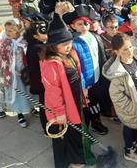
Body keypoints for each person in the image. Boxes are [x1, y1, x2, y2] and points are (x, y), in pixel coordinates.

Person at [40, 13, 96, 167]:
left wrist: (83, 91)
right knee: (68, 134)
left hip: (76, 99)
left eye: (69, 42)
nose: (68, 46)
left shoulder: (70, 53)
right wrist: (59, 112)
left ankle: (78, 157)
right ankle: (72, 161)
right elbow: (52, 90)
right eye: (63, 44)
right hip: (63, 106)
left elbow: (79, 75)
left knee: (77, 131)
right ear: (53, 45)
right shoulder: (50, 63)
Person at [102, 33, 137, 163]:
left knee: (135, 125)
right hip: (130, 105)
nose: (129, 51)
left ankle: (134, 144)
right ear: (117, 52)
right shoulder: (117, 72)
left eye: (130, 47)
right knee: (130, 126)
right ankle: (129, 150)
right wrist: (130, 107)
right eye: (125, 49)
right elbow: (116, 95)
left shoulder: (135, 56)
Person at [63, 4, 110, 126]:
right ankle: (93, 122)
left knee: (98, 99)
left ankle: (99, 117)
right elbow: (77, 66)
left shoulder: (95, 37)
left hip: (98, 75)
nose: (84, 26)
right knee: (90, 103)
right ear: (73, 26)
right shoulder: (74, 44)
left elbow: (101, 55)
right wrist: (82, 86)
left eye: (86, 23)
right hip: (87, 81)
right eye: (79, 24)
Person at [0, 19, 35, 128]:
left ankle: (31, 107)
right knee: (17, 94)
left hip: (25, 74)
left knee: (28, 91)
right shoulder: (4, 43)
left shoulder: (24, 42)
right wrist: (5, 67)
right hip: (11, 75)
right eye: (6, 30)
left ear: (18, 30)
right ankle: (19, 114)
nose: (8, 32)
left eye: (11, 30)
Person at [25, 18, 48, 134]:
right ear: (35, 36)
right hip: (43, 83)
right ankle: (47, 128)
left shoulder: (32, 46)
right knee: (45, 105)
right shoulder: (40, 48)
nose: (46, 33)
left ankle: (46, 127)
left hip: (38, 81)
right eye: (42, 31)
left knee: (43, 104)